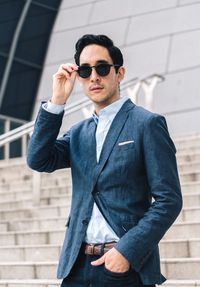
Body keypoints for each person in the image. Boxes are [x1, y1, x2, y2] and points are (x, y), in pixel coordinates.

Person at [27, 34, 182, 287]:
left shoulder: (147, 124)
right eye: (85, 71)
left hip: (123, 266)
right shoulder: (79, 132)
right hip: (76, 266)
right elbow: (38, 160)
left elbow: (169, 200)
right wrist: (57, 102)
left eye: (101, 67)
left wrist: (127, 251)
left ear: (119, 73)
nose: (94, 77)